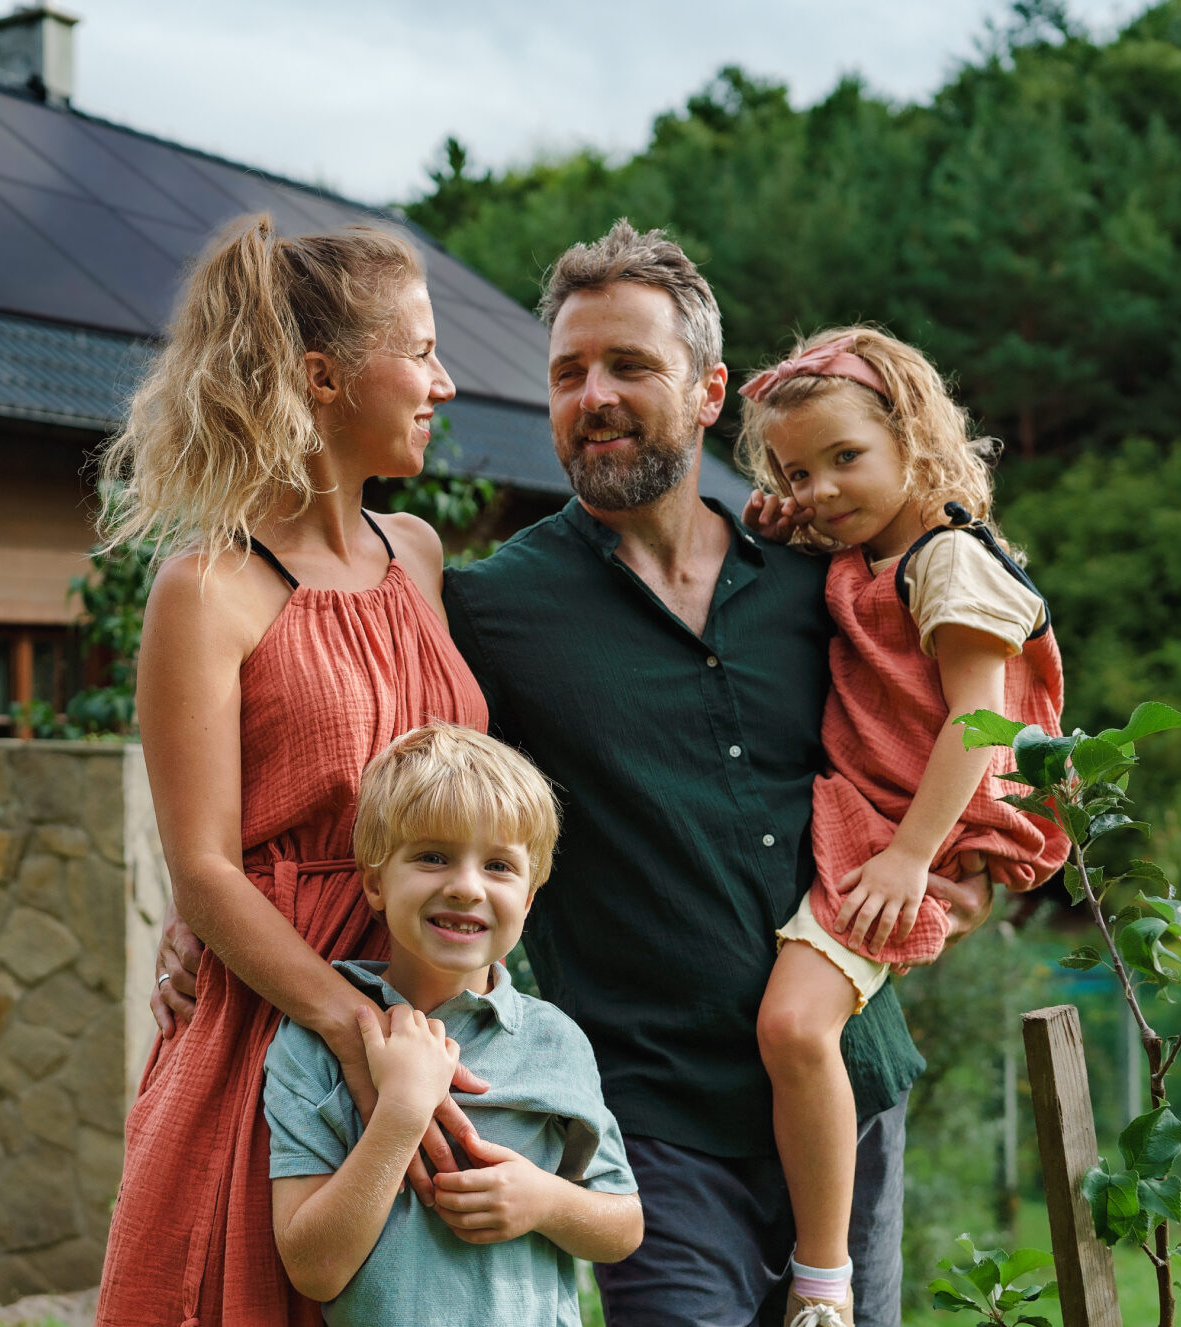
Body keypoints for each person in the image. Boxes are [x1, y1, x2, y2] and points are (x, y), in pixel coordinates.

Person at [439, 222, 991, 1327]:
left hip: (848, 1087)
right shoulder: (494, 609)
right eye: (567, 373)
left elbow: (969, 695)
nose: (592, 395)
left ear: (707, 391)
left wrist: (970, 868)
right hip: (652, 1119)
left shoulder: (817, 573)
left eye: (629, 366)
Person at [95, 214, 491, 1327]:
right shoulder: (208, 588)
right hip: (278, 1032)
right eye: (418, 351)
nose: (444, 382)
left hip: (431, 1011)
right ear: (323, 377)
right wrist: (354, 1034)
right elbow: (207, 868)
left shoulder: (417, 552)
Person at [733, 328, 1069, 1326]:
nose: (823, 489)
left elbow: (982, 719)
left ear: (915, 440)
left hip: (913, 824)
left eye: (846, 458)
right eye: (799, 471)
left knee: (794, 1025)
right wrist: (779, 527)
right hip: (878, 810)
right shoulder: (865, 550)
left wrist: (912, 857)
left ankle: (824, 1283)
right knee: (801, 1027)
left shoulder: (949, 561)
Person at [265, 722, 641, 1325]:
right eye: (433, 857)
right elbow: (313, 1269)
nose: (466, 887)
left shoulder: (554, 1040)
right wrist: (402, 1112)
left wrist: (545, 1202)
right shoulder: (313, 1042)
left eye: (498, 866)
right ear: (375, 882)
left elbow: (622, 1227)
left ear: (531, 894)